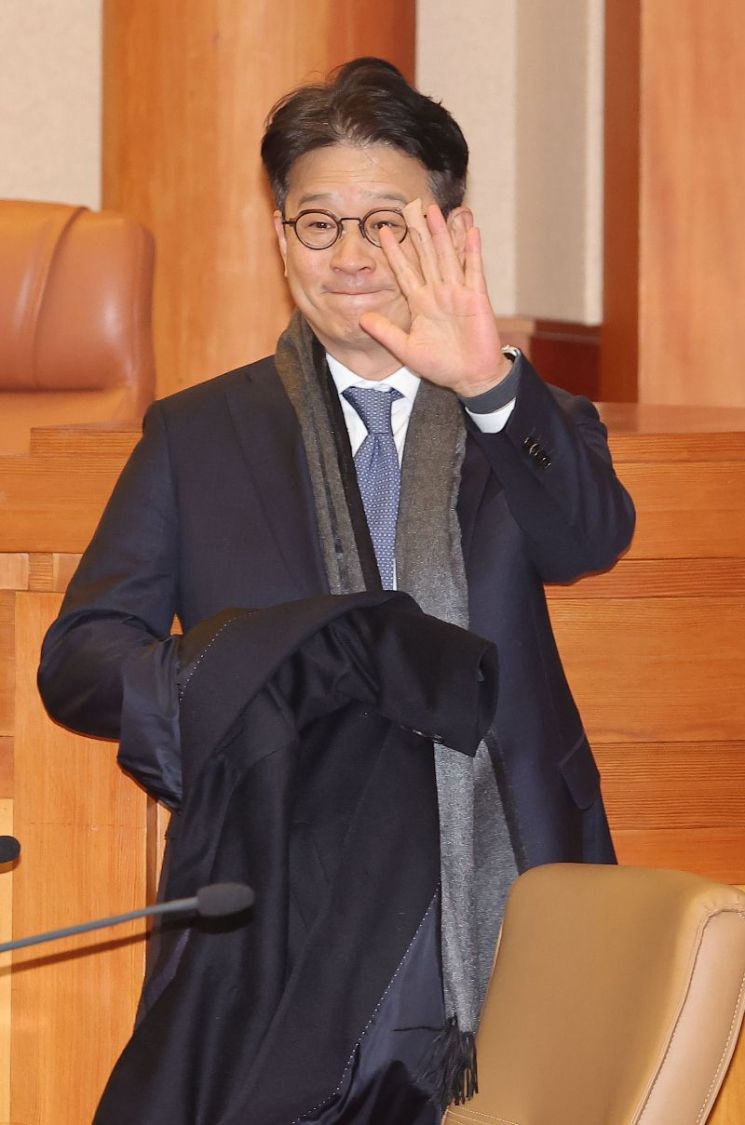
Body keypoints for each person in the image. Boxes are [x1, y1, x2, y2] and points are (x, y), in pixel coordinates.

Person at [38, 57, 635, 1124]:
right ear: (281, 237)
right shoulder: (198, 435)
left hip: (504, 883)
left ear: (450, 233)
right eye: (319, 223)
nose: (351, 256)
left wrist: (486, 381)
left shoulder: (520, 416)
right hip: (291, 901)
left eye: (387, 224)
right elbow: (81, 655)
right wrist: (251, 681)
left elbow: (590, 536)